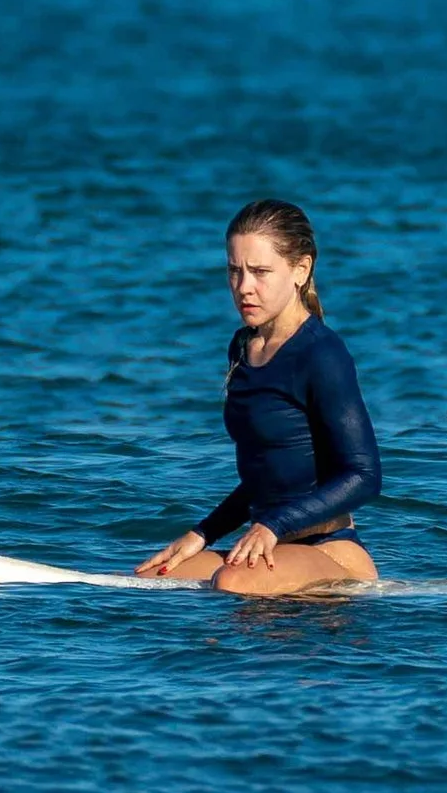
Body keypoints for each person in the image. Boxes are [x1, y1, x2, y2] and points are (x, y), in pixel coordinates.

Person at [137, 200, 383, 594]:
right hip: (264, 544)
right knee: (149, 580)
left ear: (301, 270)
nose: (243, 287)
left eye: (260, 272)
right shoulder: (242, 347)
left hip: (328, 550)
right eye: (234, 271)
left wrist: (273, 525)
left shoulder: (322, 354)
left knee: (233, 582)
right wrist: (202, 533)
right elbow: (266, 476)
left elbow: (365, 475)